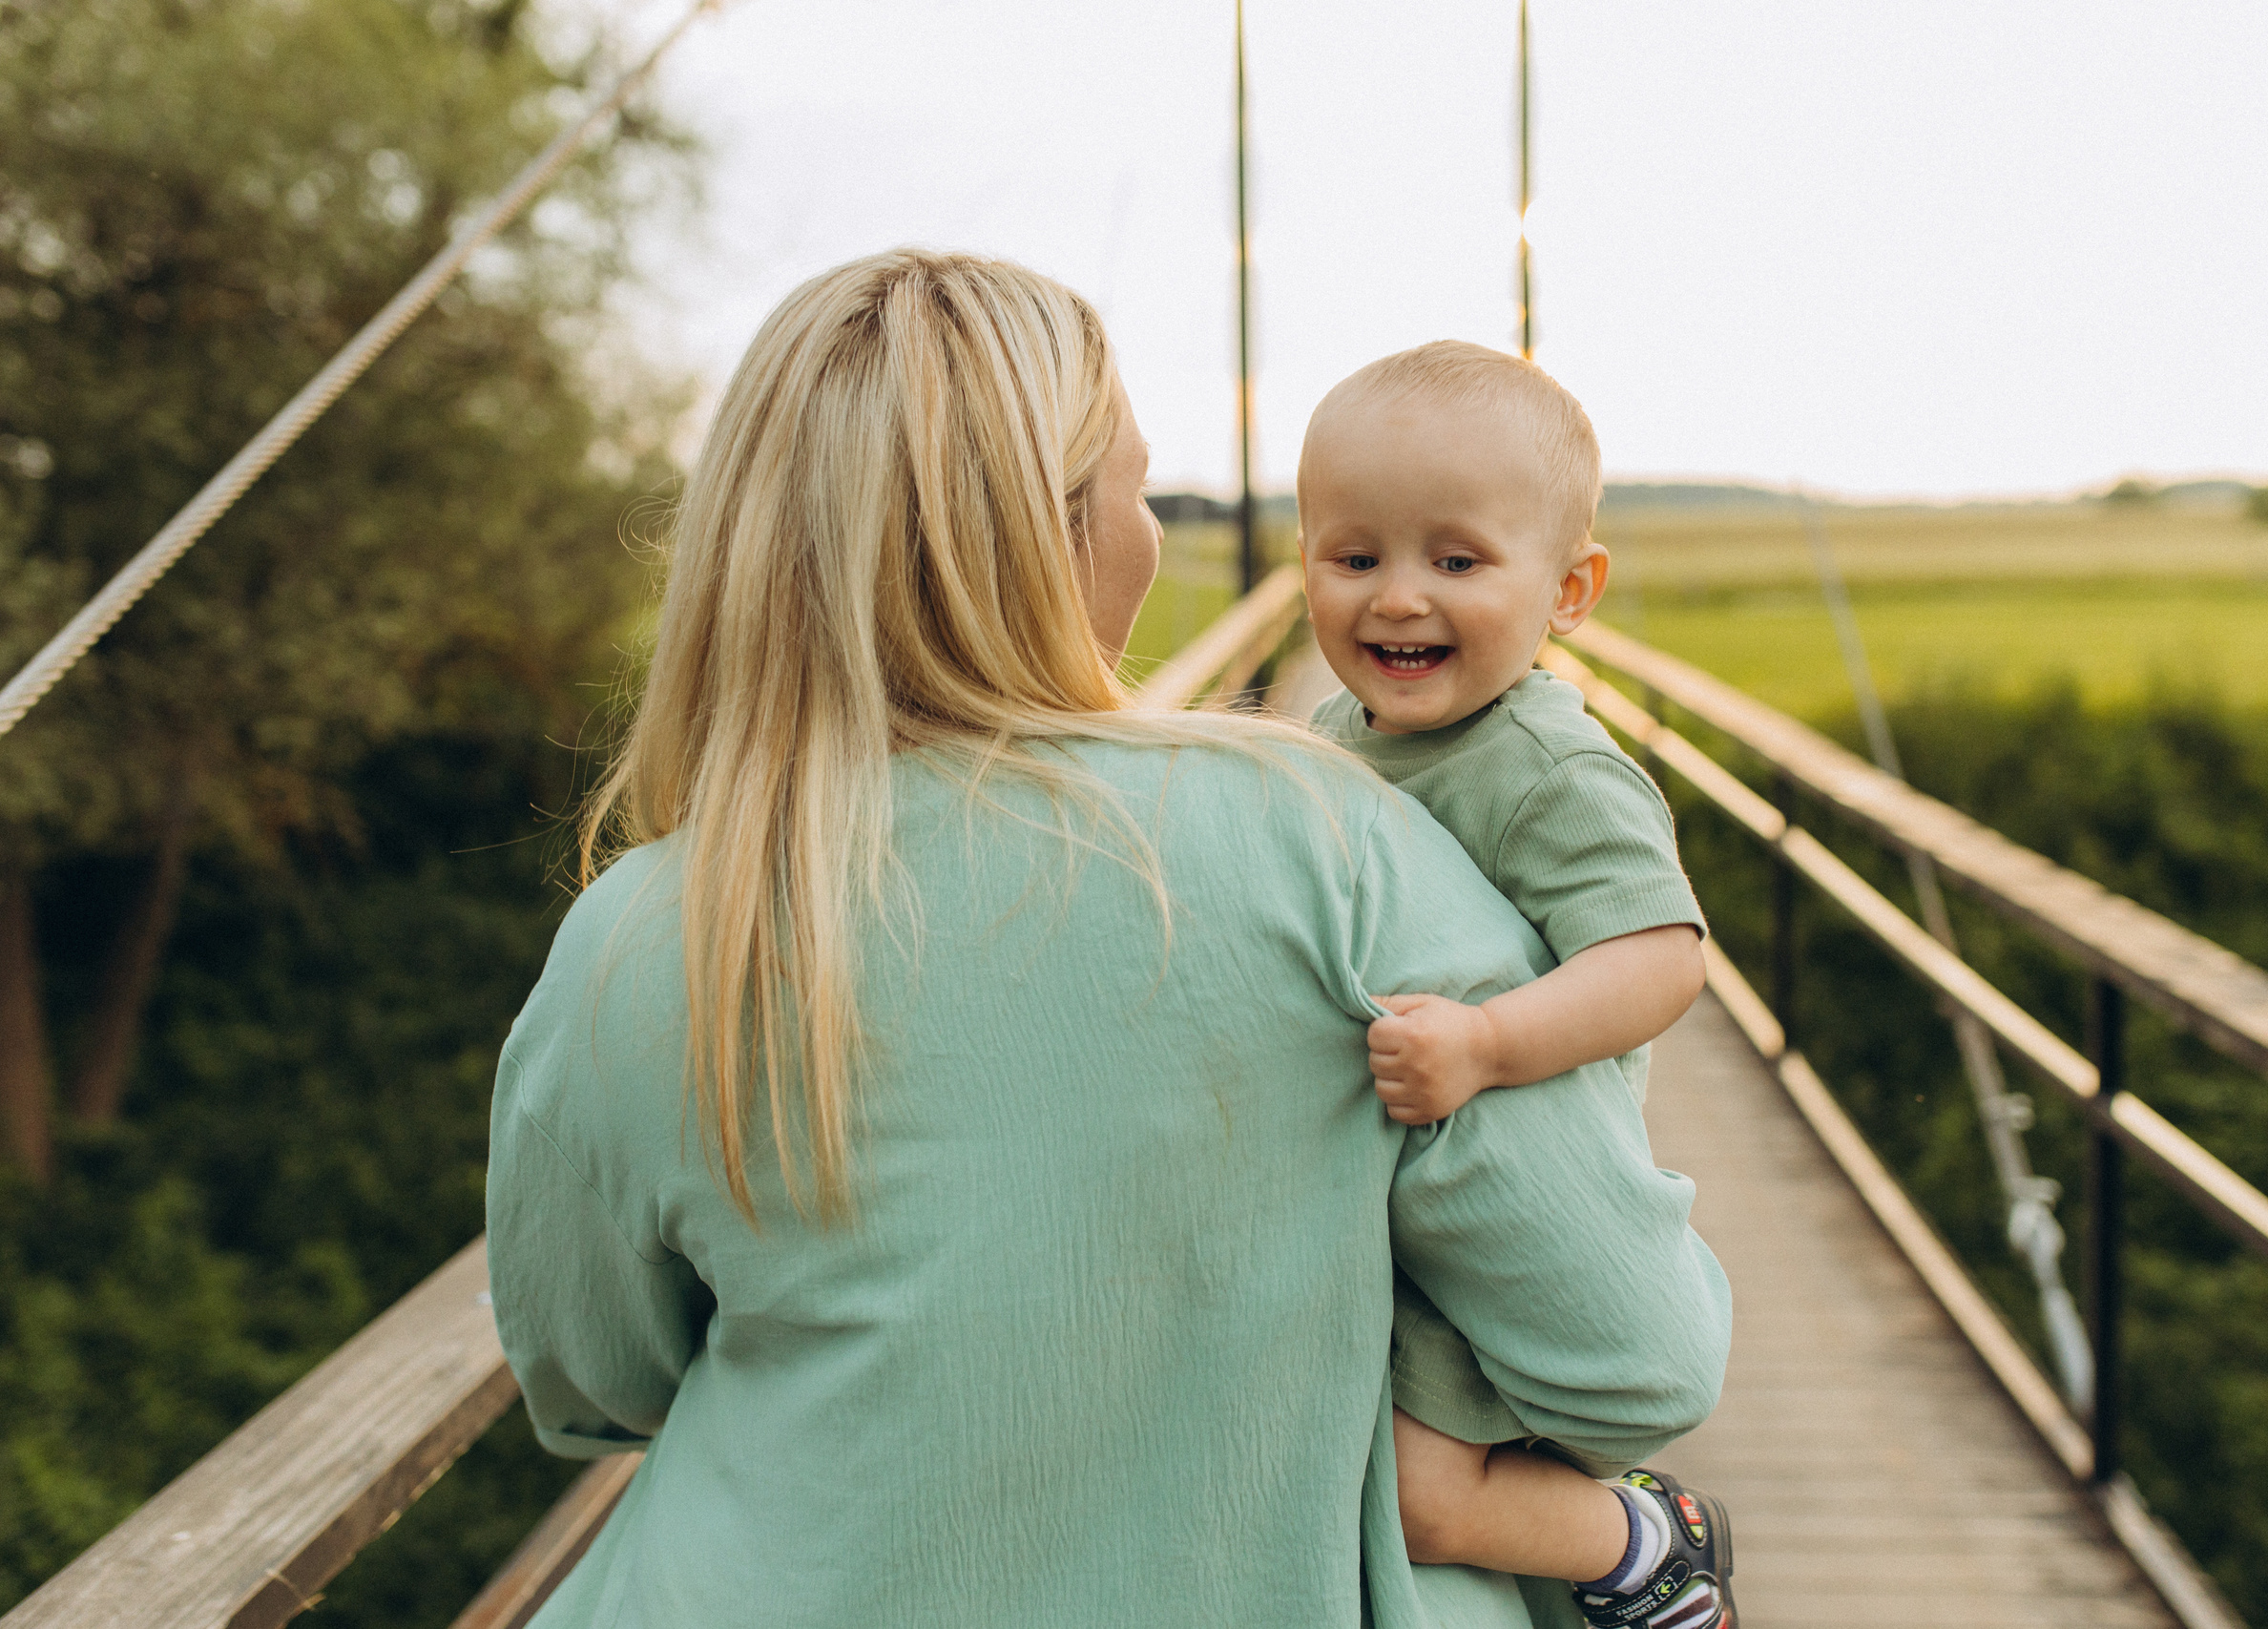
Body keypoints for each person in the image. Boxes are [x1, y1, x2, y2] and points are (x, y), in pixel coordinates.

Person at [485, 250, 1731, 1629]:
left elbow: (597, 1385)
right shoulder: (1328, 842)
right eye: (1136, 490)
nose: (1150, 530)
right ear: (1050, 533)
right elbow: (1634, 1359)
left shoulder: (633, 936)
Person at [1298, 340, 1731, 1629]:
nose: (1397, 601)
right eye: (1356, 557)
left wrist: (1491, 1041)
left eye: (1457, 560)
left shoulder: (1548, 765)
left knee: (1432, 1502)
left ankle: (1646, 1542)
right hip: (1396, 1186)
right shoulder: (1327, 741)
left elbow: (1661, 958)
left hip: (1509, 1188)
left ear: (1571, 590)